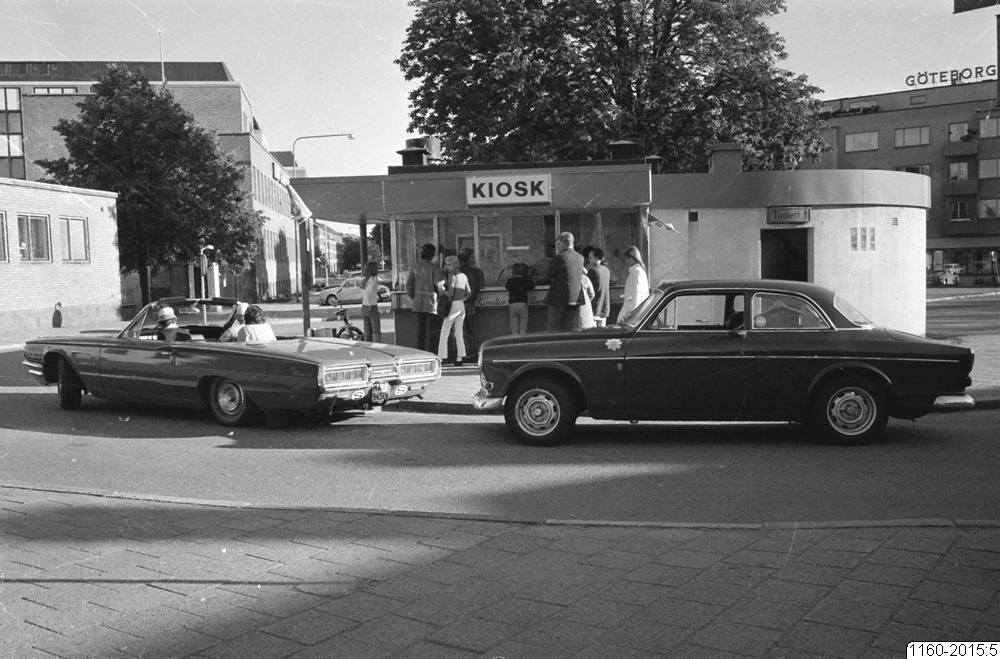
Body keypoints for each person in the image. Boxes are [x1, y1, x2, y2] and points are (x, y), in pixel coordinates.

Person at [541, 232, 585, 331]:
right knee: (571, 327)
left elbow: (547, 276)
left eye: (558, 244)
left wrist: (537, 280)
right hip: (576, 298)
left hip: (559, 297)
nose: (557, 247)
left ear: (566, 242)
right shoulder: (580, 257)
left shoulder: (560, 257)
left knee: (554, 327)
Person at [405, 243, 443, 352]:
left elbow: (409, 285)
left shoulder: (415, 267)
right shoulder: (434, 268)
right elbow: (440, 287)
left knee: (421, 330)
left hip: (418, 303)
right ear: (432, 254)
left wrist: (414, 296)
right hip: (432, 303)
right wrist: (442, 297)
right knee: (433, 330)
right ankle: (432, 353)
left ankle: (420, 352)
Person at [437, 255, 471, 365]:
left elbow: (450, 293)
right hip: (461, 304)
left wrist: (443, 292)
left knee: (444, 331)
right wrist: (461, 299)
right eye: (446, 264)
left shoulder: (452, 276)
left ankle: (441, 357)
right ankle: (460, 358)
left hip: (453, 305)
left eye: (449, 265)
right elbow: (468, 292)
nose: (447, 267)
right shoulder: (464, 276)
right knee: (459, 332)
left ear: (455, 265)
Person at [458, 249, 485, 356]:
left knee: (461, 330)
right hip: (470, 303)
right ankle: (471, 352)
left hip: (460, 303)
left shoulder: (458, 273)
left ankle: (464, 353)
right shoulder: (474, 272)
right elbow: (480, 286)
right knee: (469, 329)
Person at [620, 245, 650, 320]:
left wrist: (631, 313)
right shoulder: (637, 271)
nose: (626, 261)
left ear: (631, 258)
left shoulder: (637, 271)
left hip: (634, 312)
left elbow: (637, 293)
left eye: (627, 258)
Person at [504, 262, 534, 334]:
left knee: (513, 324)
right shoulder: (525, 280)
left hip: (513, 304)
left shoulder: (510, 281)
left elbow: (506, 287)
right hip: (523, 304)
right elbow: (532, 287)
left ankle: (514, 337)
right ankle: (522, 337)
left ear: (513, 271)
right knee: (523, 323)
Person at [586, 247, 611, 326]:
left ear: (596, 258)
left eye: (590, 257)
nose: (588, 260)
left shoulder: (593, 270)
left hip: (594, 307)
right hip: (604, 307)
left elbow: (587, 287)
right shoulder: (607, 270)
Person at [360, 261, 382, 342]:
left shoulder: (364, 279)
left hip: (364, 306)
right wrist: (370, 303)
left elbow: (364, 292)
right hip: (371, 306)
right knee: (376, 331)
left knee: (367, 331)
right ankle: (377, 346)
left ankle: (367, 346)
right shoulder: (374, 279)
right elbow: (369, 292)